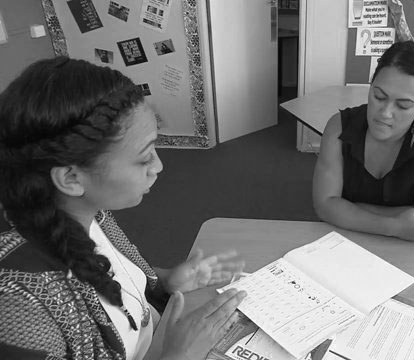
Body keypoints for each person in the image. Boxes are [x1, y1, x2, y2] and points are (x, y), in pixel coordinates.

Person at [0, 57, 246, 360]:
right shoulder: (18, 304)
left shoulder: (89, 211)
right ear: (71, 177)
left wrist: (166, 282)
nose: (159, 166)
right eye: (144, 157)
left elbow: (110, 278)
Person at [312, 41, 414, 242]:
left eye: (403, 105)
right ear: (371, 85)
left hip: (407, 250)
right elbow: (324, 206)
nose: (385, 113)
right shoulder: (339, 126)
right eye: (379, 96)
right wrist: (394, 225)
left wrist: (346, 208)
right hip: (342, 240)